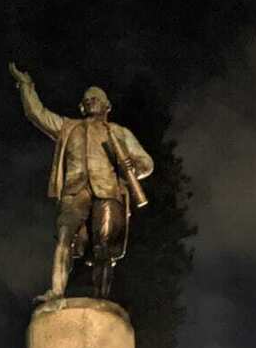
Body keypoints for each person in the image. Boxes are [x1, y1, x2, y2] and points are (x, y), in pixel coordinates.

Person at [8, 62, 155, 300]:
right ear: (81, 106)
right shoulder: (68, 127)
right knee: (64, 237)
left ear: (107, 106)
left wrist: (134, 166)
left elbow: (146, 163)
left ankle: (101, 300)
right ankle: (56, 292)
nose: (90, 101)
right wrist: (26, 85)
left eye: (96, 98)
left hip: (107, 192)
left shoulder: (118, 132)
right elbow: (37, 114)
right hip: (75, 191)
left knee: (104, 248)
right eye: (87, 99)